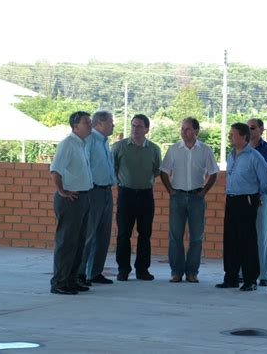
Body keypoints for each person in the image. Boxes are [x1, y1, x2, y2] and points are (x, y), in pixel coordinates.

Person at [160, 117, 219, 283]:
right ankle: (176, 272)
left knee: (196, 238)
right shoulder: (173, 149)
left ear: (196, 131)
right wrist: (170, 191)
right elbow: (164, 171)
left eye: (187, 129)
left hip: (196, 198)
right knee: (175, 236)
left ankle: (192, 272)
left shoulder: (205, 150)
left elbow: (214, 173)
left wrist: (204, 192)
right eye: (182, 129)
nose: (183, 132)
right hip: (177, 197)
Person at [216, 123, 267, 292]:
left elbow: (265, 183)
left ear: (243, 136)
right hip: (231, 199)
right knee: (231, 240)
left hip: (247, 200)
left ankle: (250, 280)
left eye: (233, 134)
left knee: (247, 241)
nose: (230, 137)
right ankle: (231, 277)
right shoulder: (231, 155)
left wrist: (256, 198)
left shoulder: (255, 157)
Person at [112, 114, 161, 281]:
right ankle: (123, 269)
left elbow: (156, 171)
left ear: (147, 129)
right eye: (133, 125)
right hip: (126, 194)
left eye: (139, 126)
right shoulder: (119, 147)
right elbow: (113, 167)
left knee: (145, 233)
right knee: (124, 233)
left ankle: (142, 270)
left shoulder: (154, 149)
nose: (135, 129)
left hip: (146, 195)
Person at [49, 111, 93, 295]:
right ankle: (59, 282)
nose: (90, 126)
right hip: (71, 200)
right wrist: (62, 191)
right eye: (86, 123)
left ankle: (71, 279)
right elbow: (55, 170)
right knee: (67, 242)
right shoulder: (67, 144)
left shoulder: (81, 144)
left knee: (78, 241)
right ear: (75, 126)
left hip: (83, 197)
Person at [78, 110, 116, 286]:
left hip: (107, 191)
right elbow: (84, 164)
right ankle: (80, 273)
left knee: (103, 235)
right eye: (110, 122)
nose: (113, 125)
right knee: (88, 234)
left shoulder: (105, 142)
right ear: (100, 123)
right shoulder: (90, 141)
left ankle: (95, 272)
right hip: (93, 192)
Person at [247, 118, 267, 287]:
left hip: (260, 195)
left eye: (253, 128)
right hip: (244, 196)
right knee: (244, 235)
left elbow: (265, 170)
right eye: (247, 128)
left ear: (261, 130)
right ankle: (244, 272)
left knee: (261, 235)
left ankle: (263, 274)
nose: (250, 131)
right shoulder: (239, 149)